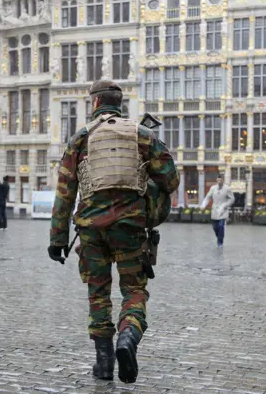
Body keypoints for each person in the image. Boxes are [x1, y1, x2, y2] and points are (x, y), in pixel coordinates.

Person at [48, 80, 179, 384]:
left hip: (91, 231)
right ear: (120, 105)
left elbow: (65, 193)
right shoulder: (142, 135)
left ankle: (104, 364)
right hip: (130, 227)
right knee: (134, 290)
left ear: (94, 103)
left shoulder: (80, 138)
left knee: (98, 294)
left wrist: (57, 239)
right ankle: (128, 338)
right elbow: (171, 180)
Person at [200, 175, 235, 248]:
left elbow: (232, 199)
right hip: (214, 210)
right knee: (215, 227)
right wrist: (203, 205)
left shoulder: (227, 189)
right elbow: (208, 197)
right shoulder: (213, 188)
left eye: (220, 180)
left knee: (221, 226)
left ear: (223, 180)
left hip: (223, 210)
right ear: (216, 180)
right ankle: (219, 236)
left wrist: (226, 205)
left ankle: (220, 242)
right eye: (218, 180)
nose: (219, 182)